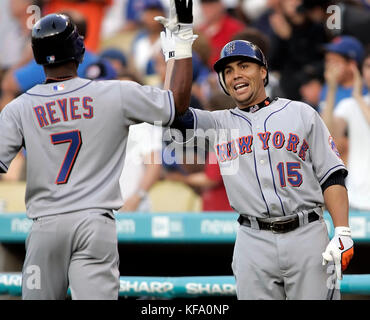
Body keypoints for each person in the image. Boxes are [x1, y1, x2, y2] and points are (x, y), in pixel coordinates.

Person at [0, 0, 196, 300]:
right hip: (95, 223)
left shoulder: (18, 108)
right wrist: (181, 42)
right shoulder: (113, 92)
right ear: (79, 51)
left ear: (38, 57)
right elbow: (178, 104)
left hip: (45, 225)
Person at [165, 39, 354, 299]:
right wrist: (178, 53)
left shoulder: (300, 113)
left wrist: (342, 230)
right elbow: (172, 111)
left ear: (263, 71)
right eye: (228, 71)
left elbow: (331, 175)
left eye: (244, 66)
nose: (236, 75)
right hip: (252, 240)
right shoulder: (219, 123)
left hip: (307, 233)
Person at [322, 48, 370, 212]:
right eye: (368, 67)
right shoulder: (350, 105)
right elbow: (328, 133)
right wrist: (332, 89)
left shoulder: (356, 100)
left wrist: (357, 96)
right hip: (356, 198)